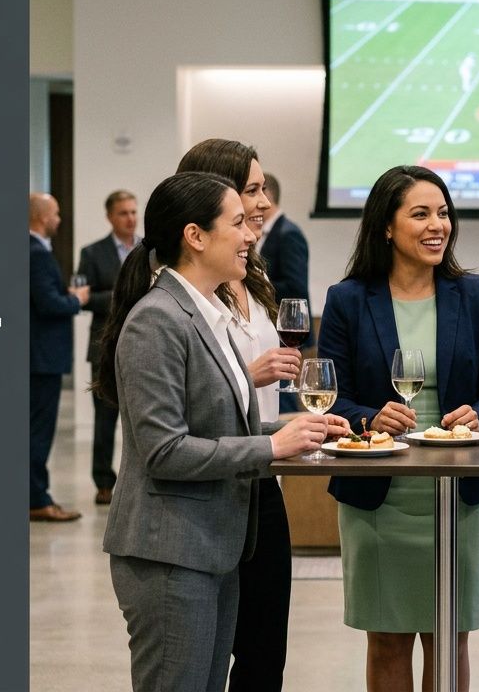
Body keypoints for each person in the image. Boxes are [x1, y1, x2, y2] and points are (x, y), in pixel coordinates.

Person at [95, 171, 345, 692]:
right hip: (170, 553)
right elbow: (164, 450)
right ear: (195, 235)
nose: (251, 234)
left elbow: (225, 421)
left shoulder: (210, 313)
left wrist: (297, 428)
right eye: (237, 223)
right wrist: (272, 445)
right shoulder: (157, 319)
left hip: (216, 547)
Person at [318, 165, 479, 692]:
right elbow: (331, 395)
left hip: (458, 495)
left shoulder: (474, 294)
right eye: (421, 213)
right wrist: (367, 419)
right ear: (386, 225)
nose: (438, 225)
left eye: (444, 213)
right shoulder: (348, 299)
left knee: (450, 637)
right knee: (385, 638)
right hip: (378, 499)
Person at [176, 140, 305, 692]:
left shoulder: (254, 275)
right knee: (199, 661)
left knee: (264, 653)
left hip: (263, 479)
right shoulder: (179, 292)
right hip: (209, 487)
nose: (262, 200)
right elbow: (170, 408)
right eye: (251, 190)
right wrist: (247, 376)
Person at [76, 189, 140, 505]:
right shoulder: (92, 253)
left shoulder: (148, 249)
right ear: (110, 217)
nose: (130, 218)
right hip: (104, 346)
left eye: (133, 211)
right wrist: (123, 294)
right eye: (123, 213)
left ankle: (138, 479)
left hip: (143, 343)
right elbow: (84, 299)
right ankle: (103, 482)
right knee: (104, 419)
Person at [29, 192, 89, 522]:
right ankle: (37, 499)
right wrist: (76, 299)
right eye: (55, 213)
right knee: (37, 431)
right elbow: (48, 304)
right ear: (41, 217)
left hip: (35, 357)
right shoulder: (36, 252)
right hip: (40, 358)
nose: (59, 219)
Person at [259, 171, 311, 346]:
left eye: (254, 192)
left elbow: (296, 287)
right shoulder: (263, 232)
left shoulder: (289, 234)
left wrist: (255, 284)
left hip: (289, 330)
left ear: (266, 195)